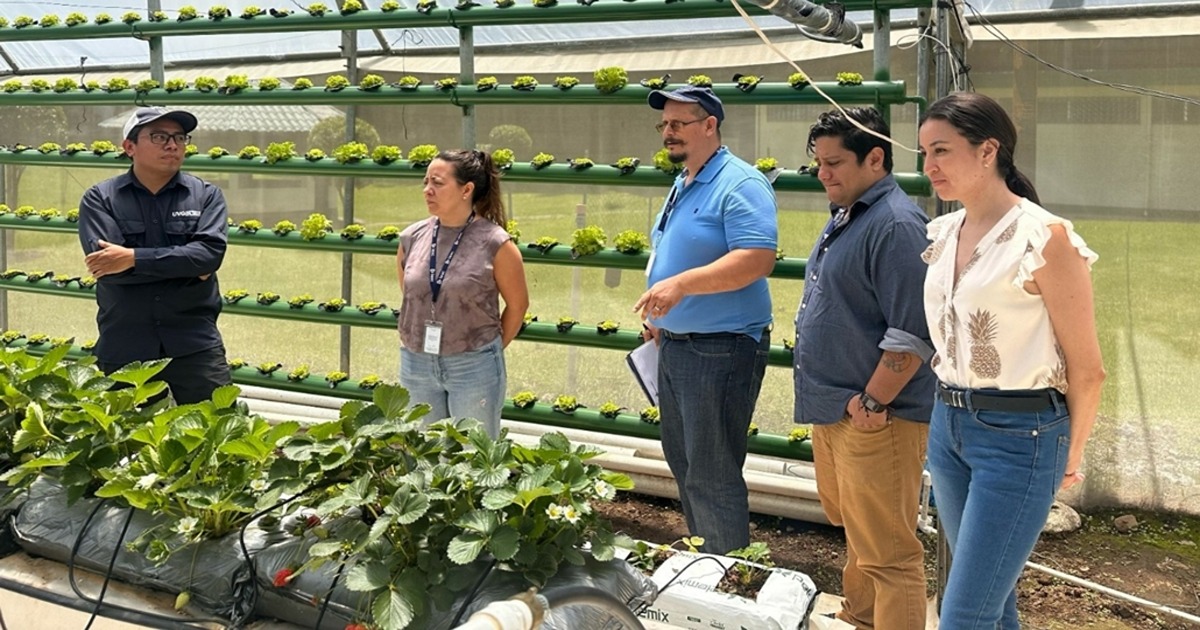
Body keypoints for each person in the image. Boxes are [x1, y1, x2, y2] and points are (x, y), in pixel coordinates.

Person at [918, 92, 1105, 629]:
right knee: (991, 607)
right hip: (948, 425)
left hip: (1020, 436)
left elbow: (1087, 367)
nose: (929, 166)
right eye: (925, 152)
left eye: (942, 151)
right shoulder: (945, 232)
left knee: (963, 614)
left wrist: (1070, 455)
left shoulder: (1045, 239)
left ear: (987, 151)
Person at [793, 107, 935, 630]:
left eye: (834, 162)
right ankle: (860, 618)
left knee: (890, 554)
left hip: (877, 416)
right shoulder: (853, 212)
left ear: (875, 158)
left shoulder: (897, 225)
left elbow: (912, 333)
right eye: (818, 163)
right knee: (860, 533)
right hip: (841, 407)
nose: (823, 173)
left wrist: (872, 403)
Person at [634, 86, 778, 555]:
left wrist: (681, 286)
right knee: (685, 463)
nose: (668, 133)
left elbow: (757, 258)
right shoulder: (687, 180)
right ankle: (707, 561)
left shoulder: (740, 183)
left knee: (711, 470)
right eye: (664, 125)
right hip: (678, 342)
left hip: (720, 347)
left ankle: (726, 575)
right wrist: (662, 315)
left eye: (679, 124)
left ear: (710, 125)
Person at [78, 106, 231, 405]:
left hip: (194, 343)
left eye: (180, 137)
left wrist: (133, 257)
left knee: (217, 432)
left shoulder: (206, 195)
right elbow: (110, 269)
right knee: (125, 443)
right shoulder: (100, 198)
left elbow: (208, 256)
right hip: (125, 344)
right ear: (129, 147)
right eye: (159, 136)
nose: (173, 145)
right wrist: (185, 263)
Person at [396, 149, 529, 438]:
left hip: (473, 367)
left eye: (437, 183)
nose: (427, 190)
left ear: (466, 189)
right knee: (423, 456)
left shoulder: (496, 243)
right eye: (425, 182)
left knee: (474, 458)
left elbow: (518, 306)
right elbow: (412, 296)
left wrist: (484, 350)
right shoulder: (411, 238)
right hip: (416, 363)